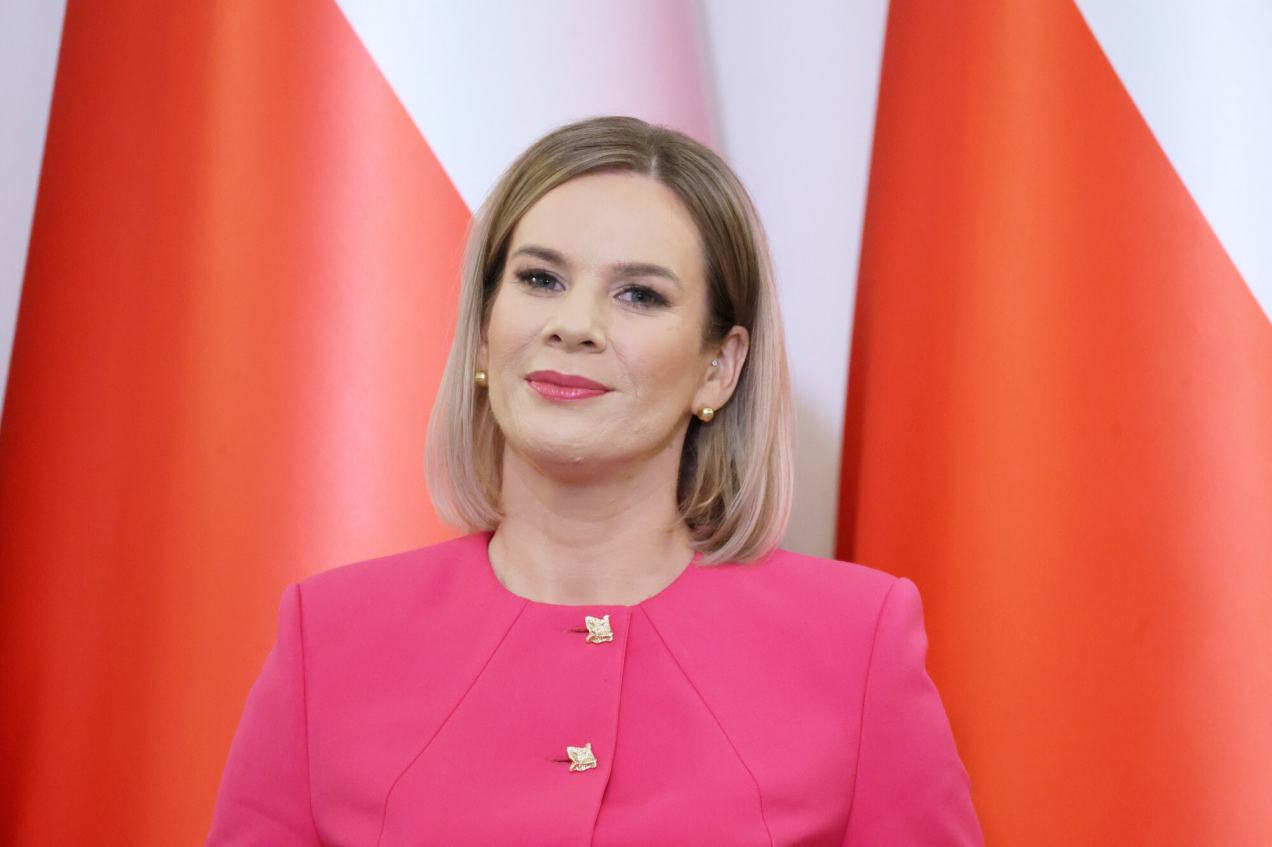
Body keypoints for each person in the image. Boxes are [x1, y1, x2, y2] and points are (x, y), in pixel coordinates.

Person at [206, 116, 983, 846]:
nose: (574, 324)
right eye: (540, 279)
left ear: (719, 368)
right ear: (485, 330)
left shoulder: (856, 640)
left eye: (639, 294)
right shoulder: (330, 635)